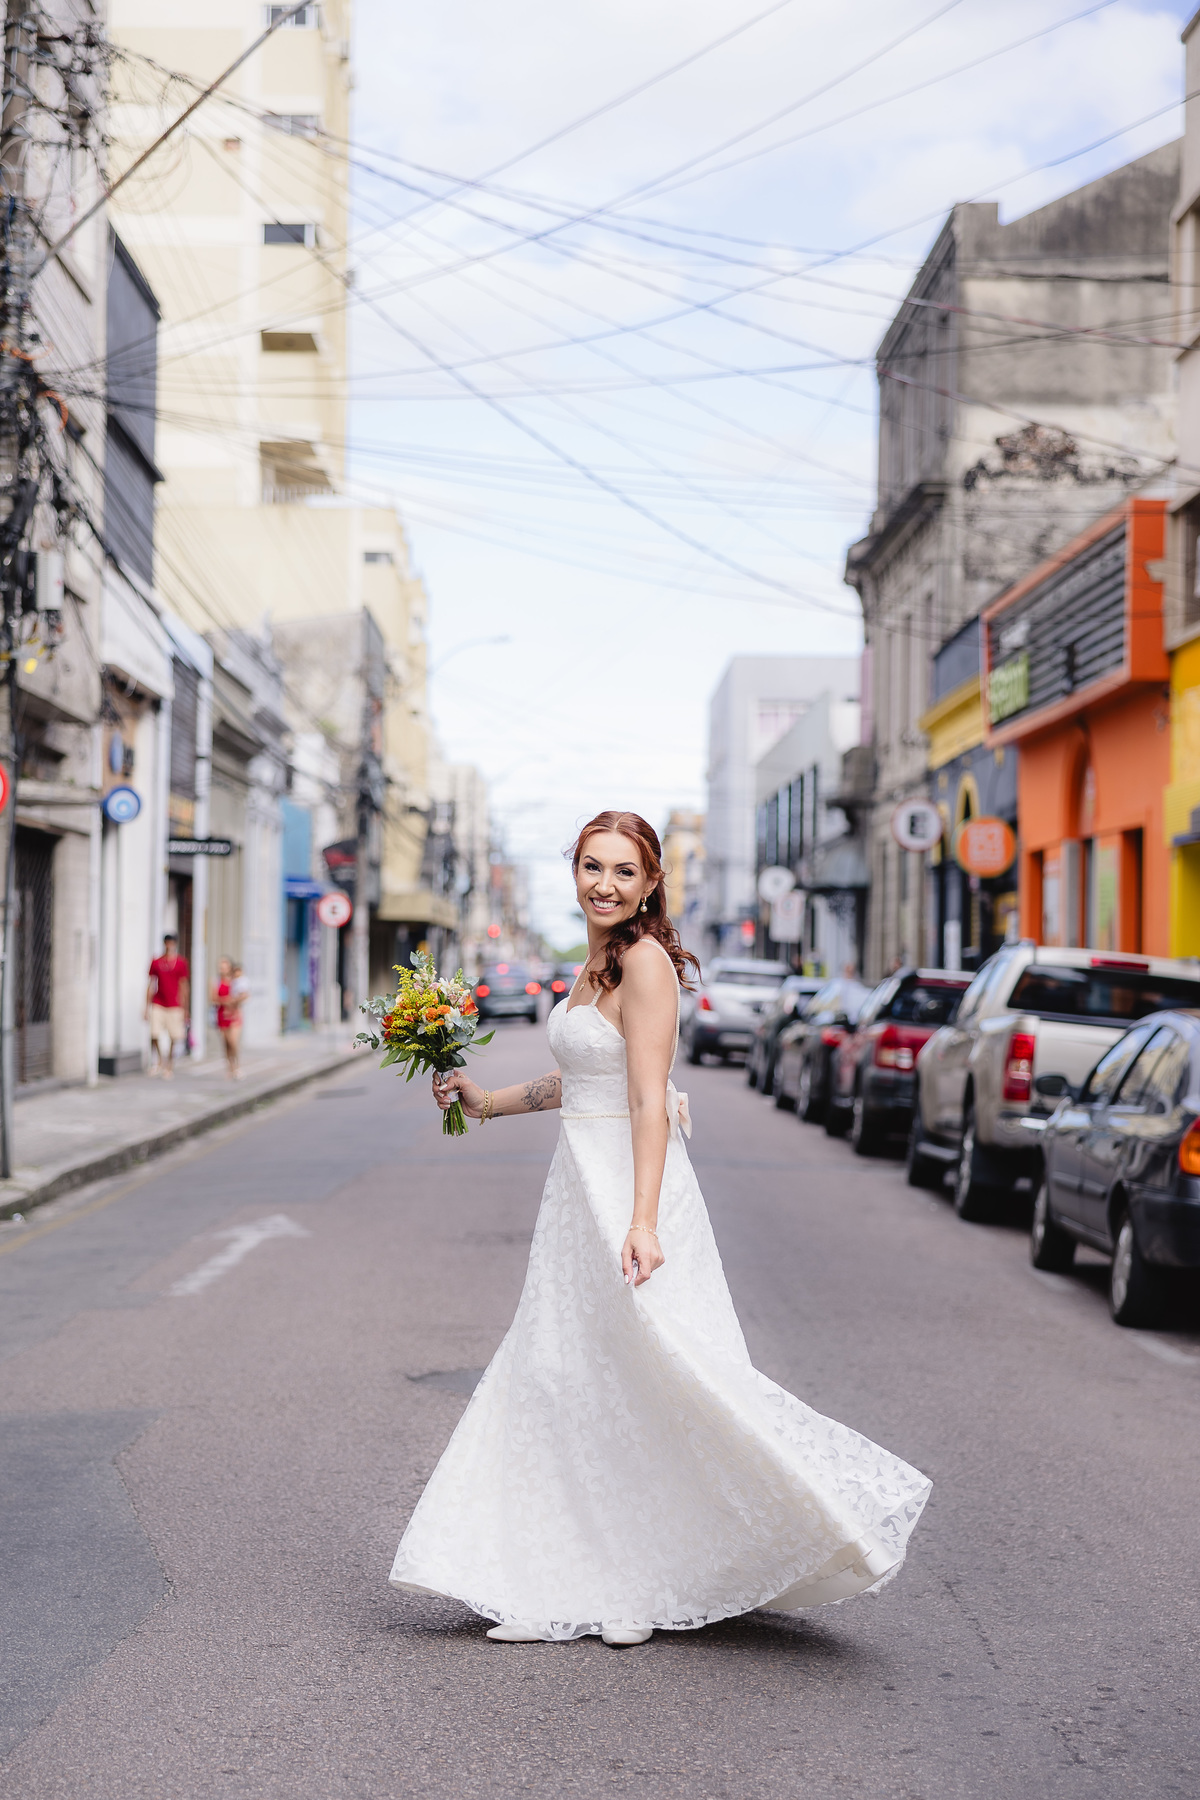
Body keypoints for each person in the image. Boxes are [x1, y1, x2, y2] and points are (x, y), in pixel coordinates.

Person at [391, 810, 930, 1648]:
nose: (604, 884)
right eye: (592, 866)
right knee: (563, 1375)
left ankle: (638, 1589)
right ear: (575, 871)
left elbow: (646, 1097)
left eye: (624, 871)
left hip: (630, 1190)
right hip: (577, 1192)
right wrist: (486, 1100)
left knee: (652, 1380)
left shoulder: (644, 961)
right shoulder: (594, 963)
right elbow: (582, 1080)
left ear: (650, 885)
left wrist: (642, 1220)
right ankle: (554, 1582)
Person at [145, 933, 190, 1079]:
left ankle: (169, 1063)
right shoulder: (156, 962)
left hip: (175, 1004)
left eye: (172, 943)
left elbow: (184, 985)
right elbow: (151, 984)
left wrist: (185, 1008)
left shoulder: (181, 963)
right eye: (167, 943)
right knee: (154, 1033)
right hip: (158, 1002)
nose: (169, 946)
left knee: (174, 1036)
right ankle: (160, 1059)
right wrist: (146, 1007)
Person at [211, 955, 243, 1080]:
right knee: (226, 1043)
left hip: (234, 1014)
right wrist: (226, 1001)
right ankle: (230, 1067)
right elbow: (213, 998)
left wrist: (234, 1001)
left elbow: (244, 994)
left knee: (233, 1041)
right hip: (222, 1014)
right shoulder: (216, 981)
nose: (222, 969)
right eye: (221, 967)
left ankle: (237, 1065)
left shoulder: (236, 980)